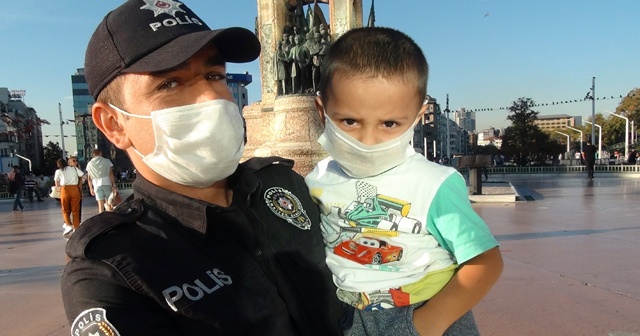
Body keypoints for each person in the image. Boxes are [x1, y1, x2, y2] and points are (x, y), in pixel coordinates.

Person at [61, 1, 345, 335]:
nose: (212, 97)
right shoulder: (113, 269)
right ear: (113, 124)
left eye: (214, 75)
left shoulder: (282, 184)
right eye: (170, 84)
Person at [305, 27, 503, 336]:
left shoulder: (434, 183)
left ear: (417, 116)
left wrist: (429, 323)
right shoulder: (317, 180)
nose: (368, 140)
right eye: (349, 121)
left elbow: (485, 262)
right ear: (322, 112)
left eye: (389, 123)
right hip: (347, 317)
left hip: (426, 311)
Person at [54, 157, 84, 238]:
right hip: (75, 189)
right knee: (76, 209)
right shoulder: (73, 168)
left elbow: (57, 183)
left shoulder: (58, 171)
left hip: (65, 190)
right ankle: (76, 227)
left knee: (65, 209)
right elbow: (82, 174)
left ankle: (68, 225)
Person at [86, 149, 117, 213]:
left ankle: (102, 219)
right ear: (101, 153)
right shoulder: (107, 161)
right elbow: (111, 173)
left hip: (96, 184)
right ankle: (110, 218)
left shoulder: (89, 164)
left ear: (93, 155)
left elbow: (89, 178)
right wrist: (114, 184)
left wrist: (91, 188)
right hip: (107, 183)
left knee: (100, 205)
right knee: (109, 203)